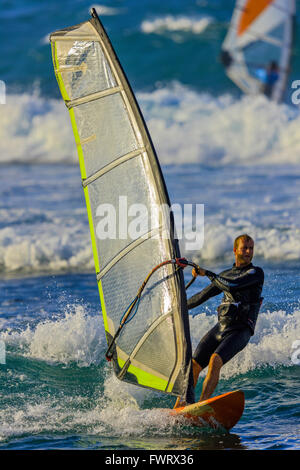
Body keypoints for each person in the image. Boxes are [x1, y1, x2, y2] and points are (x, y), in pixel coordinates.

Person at [174, 234, 264, 408]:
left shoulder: (255, 273)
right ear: (235, 250)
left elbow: (233, 285)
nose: (248, 252)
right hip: (222, 327)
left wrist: (206, 273)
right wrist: (179, 308)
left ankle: (200, 407)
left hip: (241, 329)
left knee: (215, 360)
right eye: (244, 248)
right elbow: (202, 295)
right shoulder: (225, 274)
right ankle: (179, 407)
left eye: (251, 248)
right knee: (194, 365)